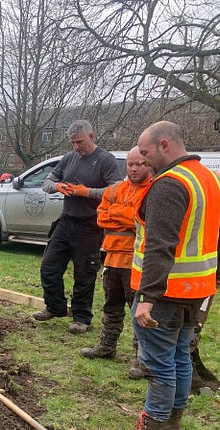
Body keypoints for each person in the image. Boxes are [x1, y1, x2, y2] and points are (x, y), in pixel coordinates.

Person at [102, 121, 220, 430]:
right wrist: (217, 275)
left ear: (164, 146)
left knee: (159, 365)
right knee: (179, 358)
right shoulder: (213, 180)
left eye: (144, 154)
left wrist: (147, 297)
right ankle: (173, 428)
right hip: (197, 290)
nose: (142, 163)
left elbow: (160, 245)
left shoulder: (169, 185)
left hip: (166, 294)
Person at [33, 120, 123, 333]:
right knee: (49, 266)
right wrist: (57, 186)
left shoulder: (105, 160)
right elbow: (46, 182)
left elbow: (117, 191)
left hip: (90, 224)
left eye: (80, 142)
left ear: (91, 137)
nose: (76, 147)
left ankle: (82, 318)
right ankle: (55, 307)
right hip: (66, 221)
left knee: (84, 273)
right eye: (72, 142)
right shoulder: (68, 158)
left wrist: (86, 192)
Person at [80, 146, 152, 360]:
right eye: (130, 164)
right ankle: (107, 346)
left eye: (140, 164)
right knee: (111, 306)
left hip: (136, 262)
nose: (134, 168)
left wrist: (117, 212)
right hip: (112, 258)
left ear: (148, 164)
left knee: (138, 311)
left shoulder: (152, 191)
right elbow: (101, 217)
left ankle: (142, 357)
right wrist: (127, 216)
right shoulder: (115, 190)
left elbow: (138, 220)